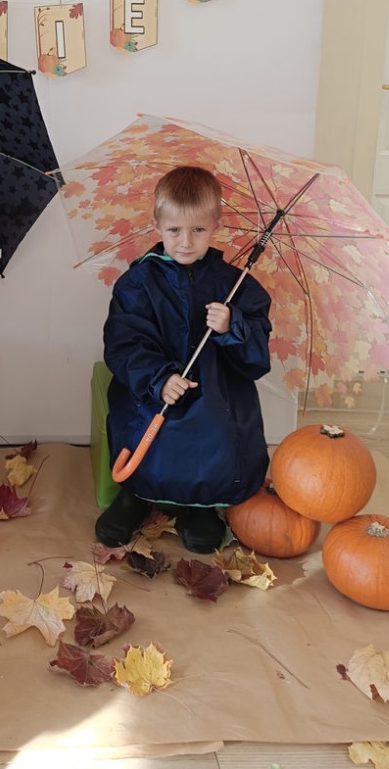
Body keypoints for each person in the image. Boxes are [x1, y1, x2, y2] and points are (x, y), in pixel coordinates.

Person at [95, 165, 272, 554]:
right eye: (174, 230)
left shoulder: (235, 285)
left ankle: (201, 505)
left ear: (216, 226)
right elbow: (124, 342)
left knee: (214, 428)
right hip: (154, 388)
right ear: (157, 225)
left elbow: (256, 359)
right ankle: (137, 493)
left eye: (198, 230)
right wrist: (158, 379)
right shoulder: (138, 283)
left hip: (215, 388)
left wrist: (233, 326)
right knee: (144, 423)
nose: (186, 242)